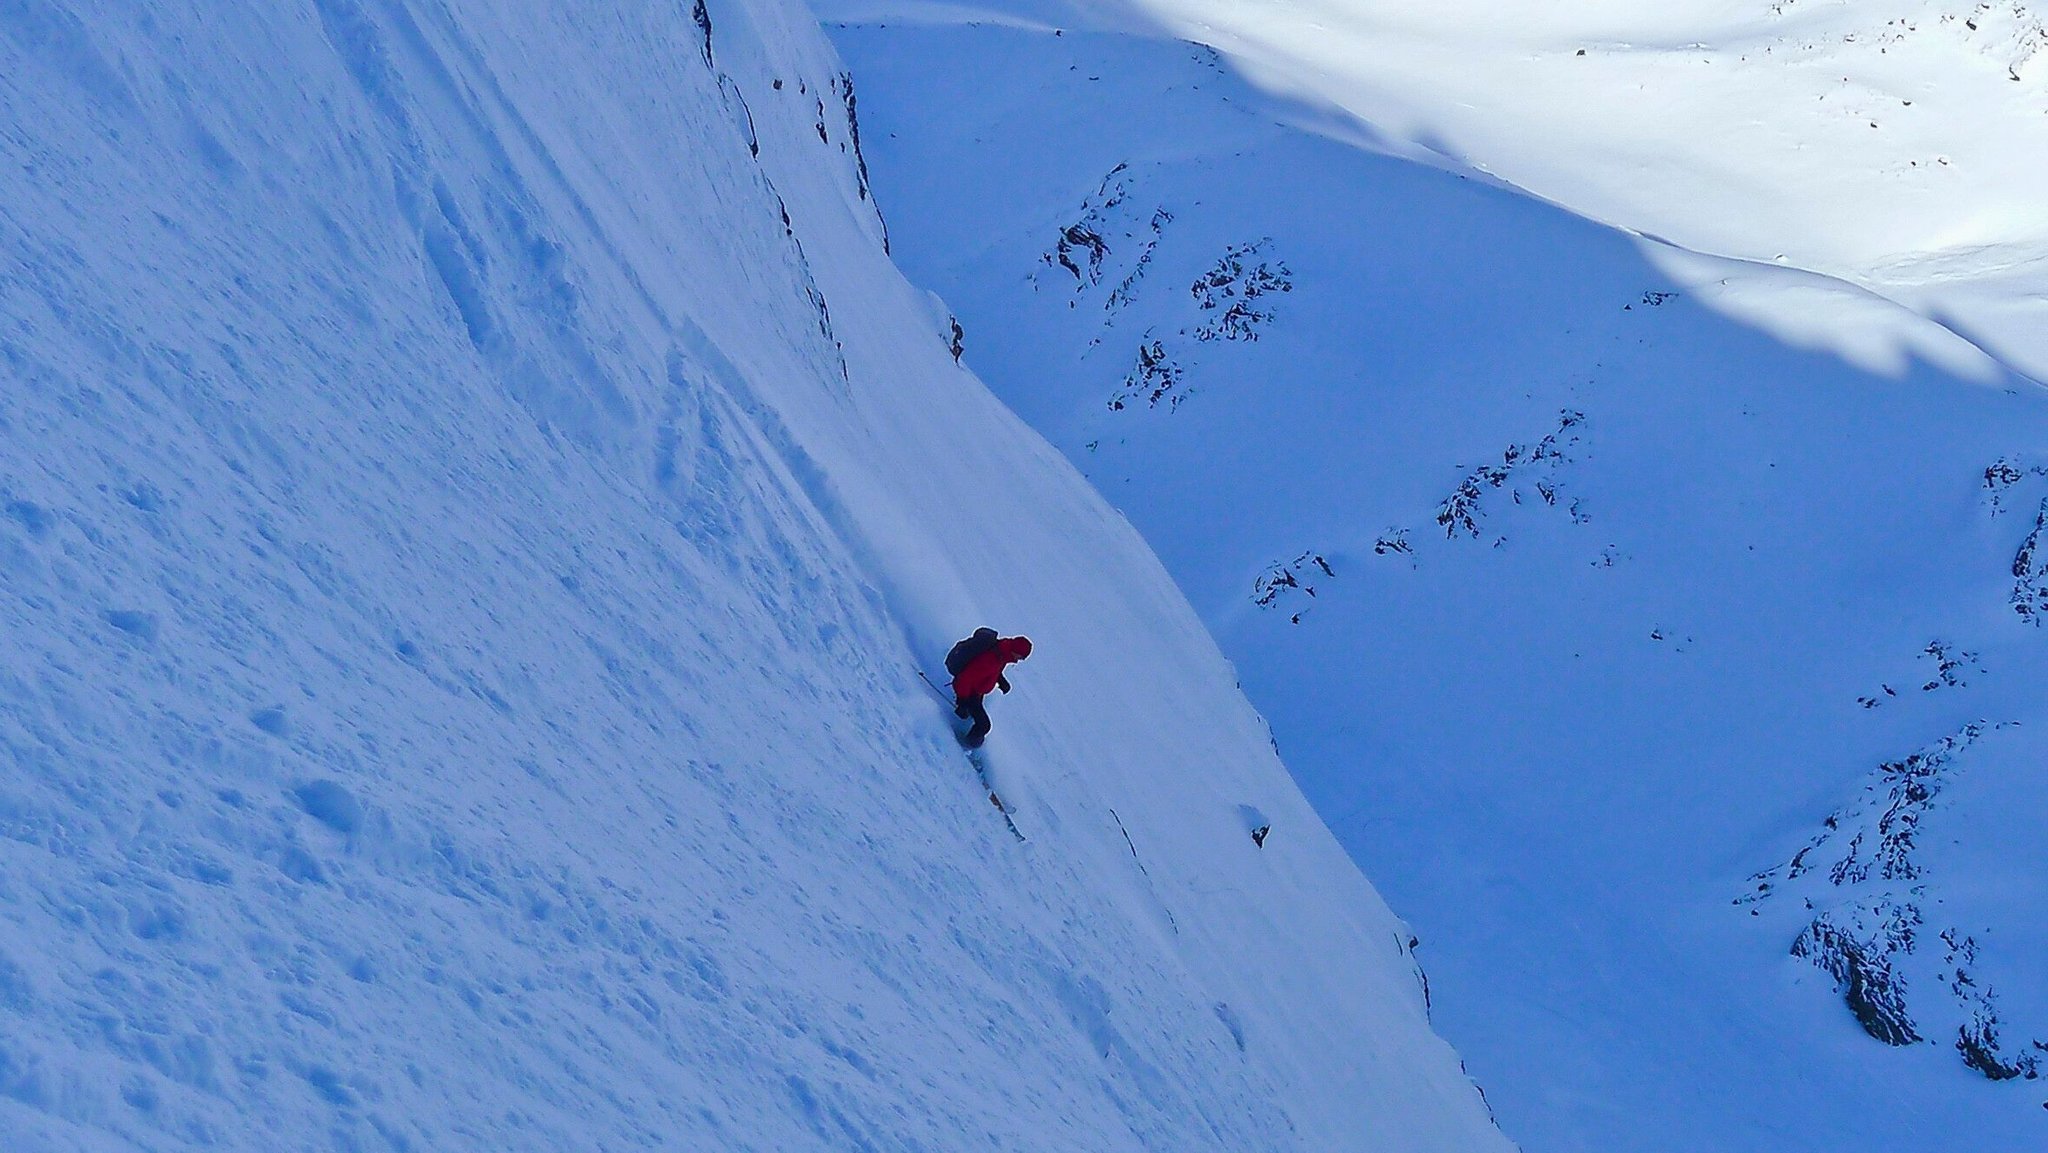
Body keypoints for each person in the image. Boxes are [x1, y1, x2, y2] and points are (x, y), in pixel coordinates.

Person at [945, 629, 1032, 748]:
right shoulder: (993, 657)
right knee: (984, 725)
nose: (1018, 661)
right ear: (1016, 651)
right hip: (970, 692)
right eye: (1021, 657)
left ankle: (968, 742)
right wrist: (962, 702)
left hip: (976, 691)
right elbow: (965, 678)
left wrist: (1001, 681)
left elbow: (992, 671)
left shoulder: (1003, 653)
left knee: (979, 721)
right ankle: (965, 747)